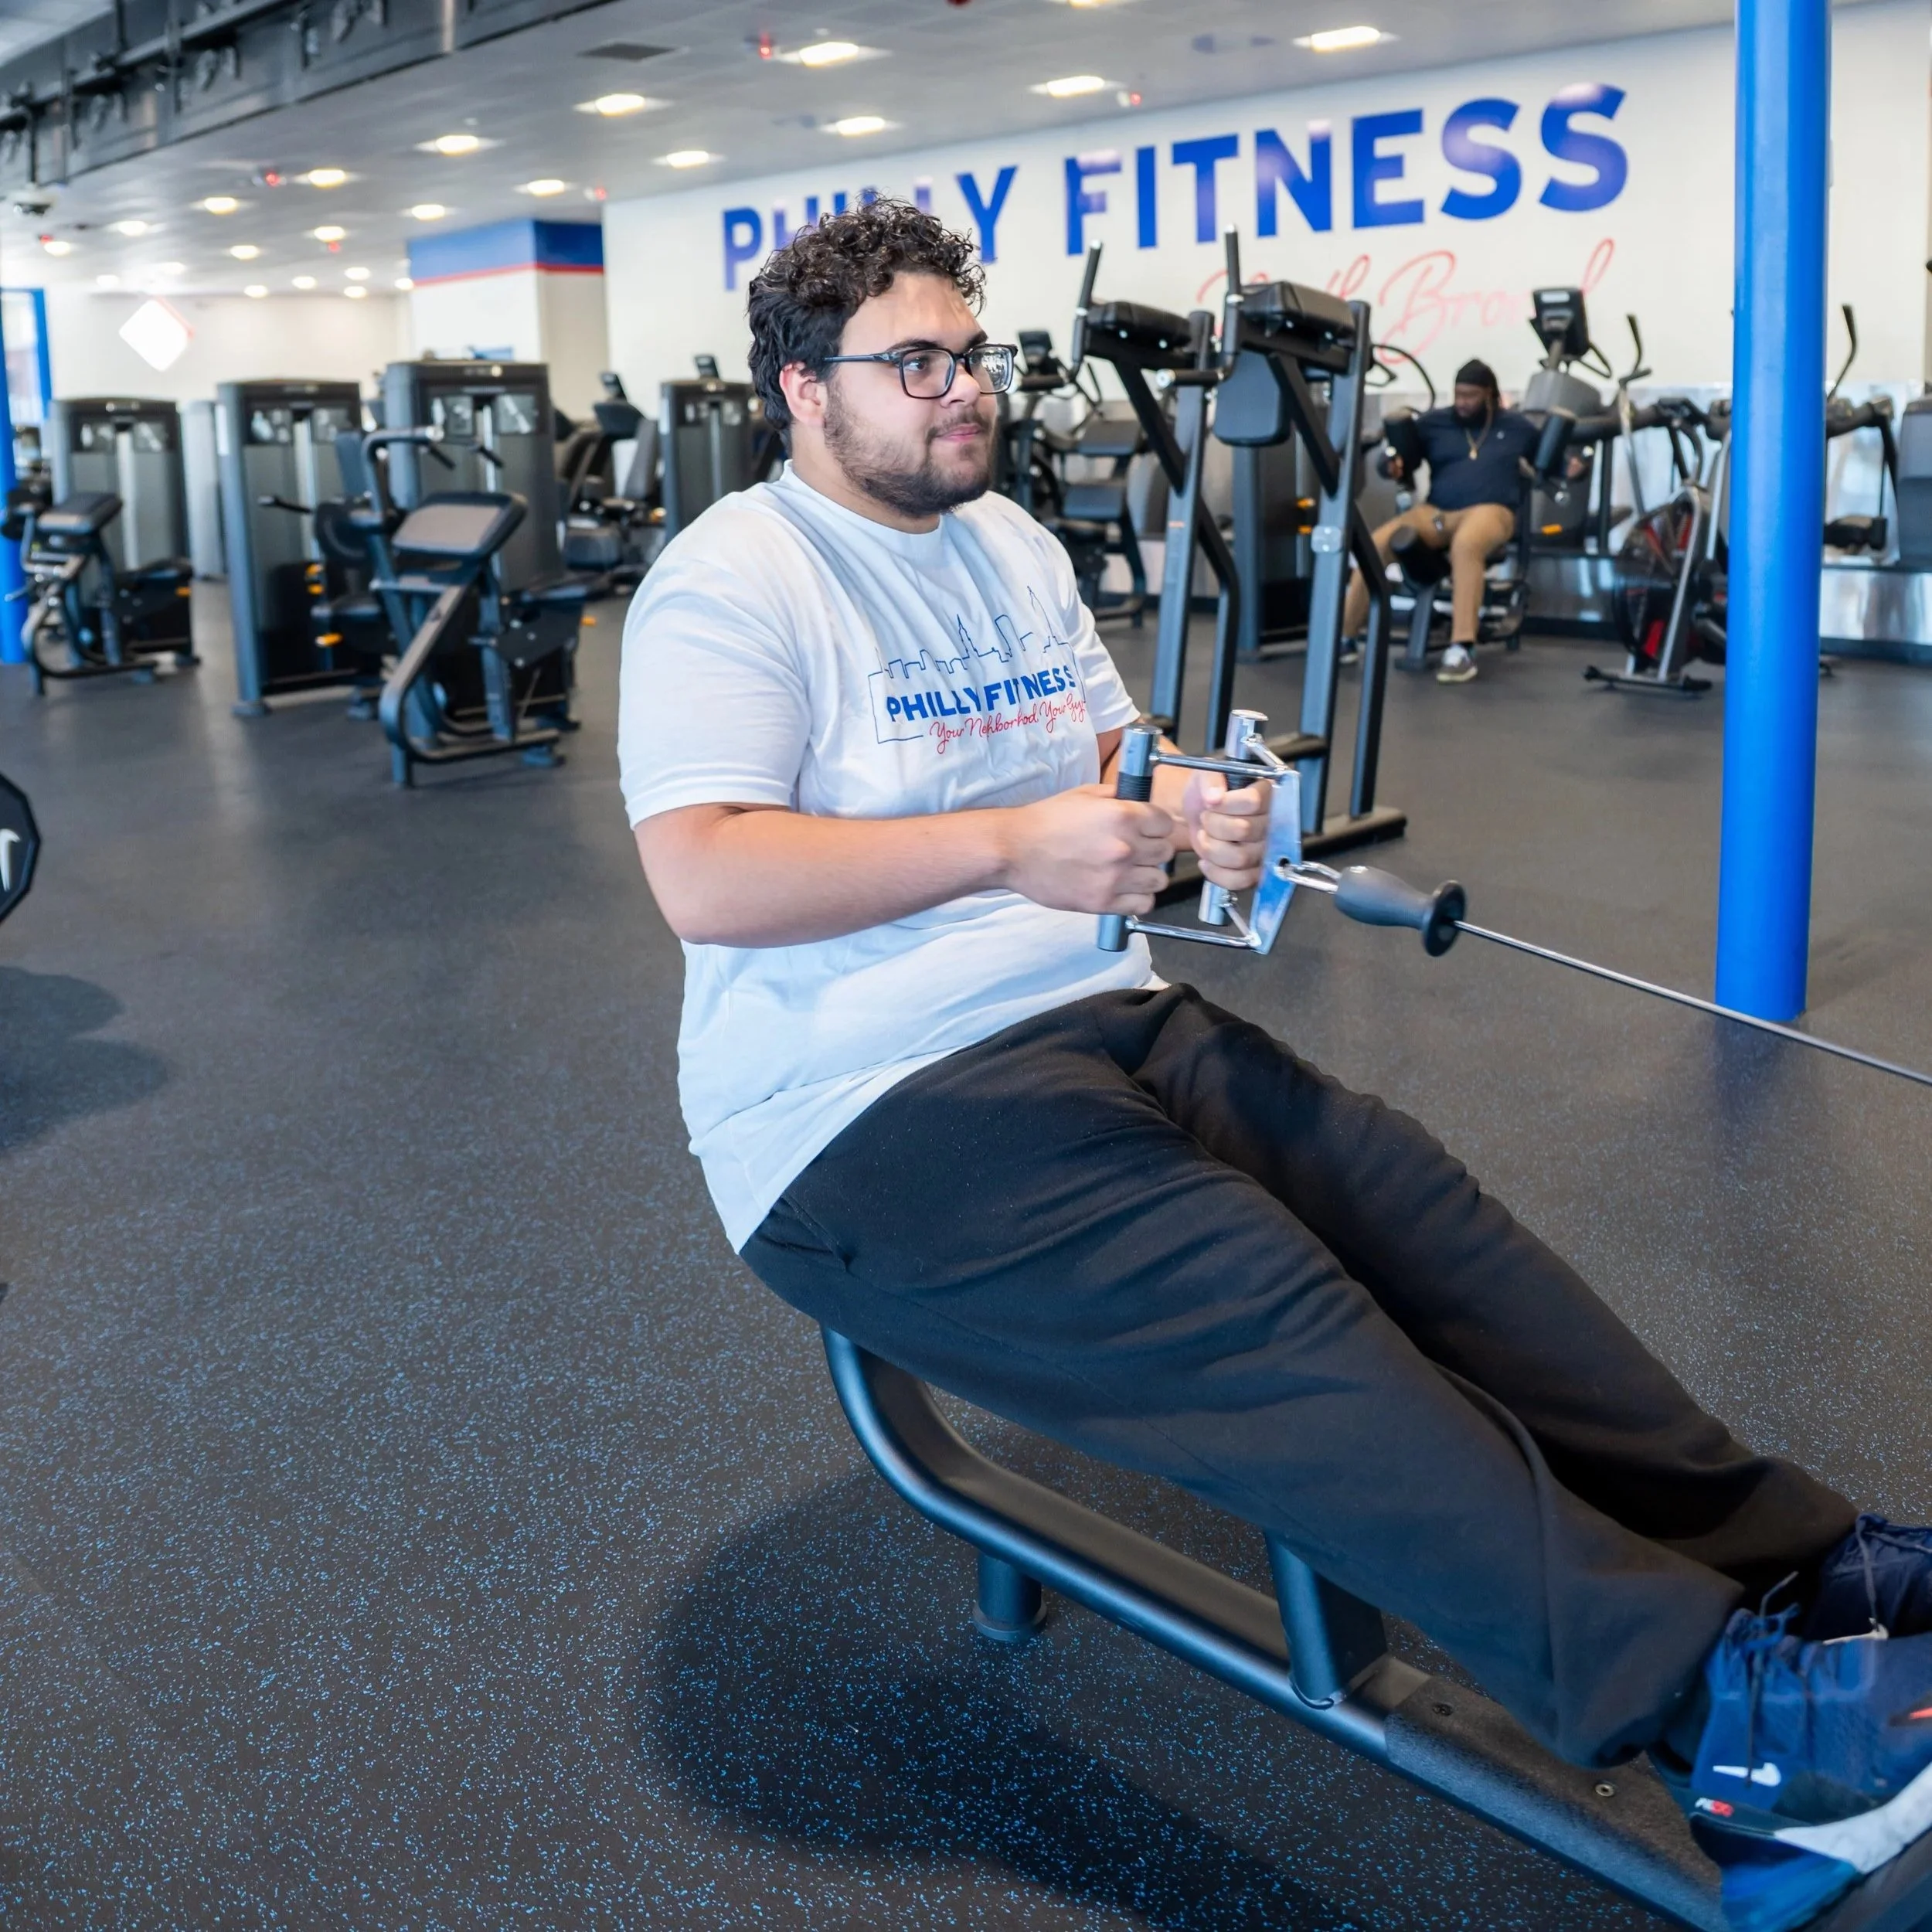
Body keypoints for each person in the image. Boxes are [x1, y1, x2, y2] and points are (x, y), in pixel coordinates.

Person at [619, 202, 1932, 1932]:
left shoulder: (1006, 540)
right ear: (803, 389)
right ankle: (1732, 1732)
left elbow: (1111, 747)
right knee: (1268, 1306)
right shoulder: (735, 575)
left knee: (1417, 1218)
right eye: (915, 364)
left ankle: (1806, 1561)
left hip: (1097, 1015)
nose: (965, 390)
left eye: (971, 355)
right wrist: (1010, 845)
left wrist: (1190, 801)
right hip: (857, 1107)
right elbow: (705, 872)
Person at [1342, 359, 1539, 685]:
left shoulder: (1518, 427)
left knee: (1467, 545)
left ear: (1489, 395)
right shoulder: (1434, 423)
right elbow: (1401, 462)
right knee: (1375, 544)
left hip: (1492, 511)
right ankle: (1345, 637)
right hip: (1436, 513)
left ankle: (1462, 649)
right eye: (1458, 394)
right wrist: (1391, 466)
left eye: (1471, 396)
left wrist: (1571, 466)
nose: (1462, 402)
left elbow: (1551, 462)